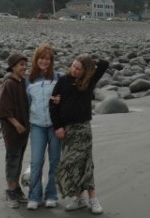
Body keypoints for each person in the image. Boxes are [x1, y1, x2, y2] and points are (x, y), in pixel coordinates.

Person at [50, 54, 109, 215]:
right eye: (73, 66)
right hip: (67, 131)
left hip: (83, 129)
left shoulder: (89, 81)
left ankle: (93, 199)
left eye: (78, 68)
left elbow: (104, 64)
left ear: (85, 71)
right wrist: (58, 127)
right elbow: (52, 104)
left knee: (86, 164)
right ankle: (79, 198)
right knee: (70, 165)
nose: (74, 70)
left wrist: (90, 60)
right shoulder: (63, 81)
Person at [25, 43, 62, 210]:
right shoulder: (29, 80)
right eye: (41, 58)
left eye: (47, 58)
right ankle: (34, 196)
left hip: (55, 126)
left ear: (51, 60)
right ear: (36, 59)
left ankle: (51, 195)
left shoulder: (59, 77)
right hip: (37, 126)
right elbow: (26, 104)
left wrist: (61, 100)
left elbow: (69, 97)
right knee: (36, 161)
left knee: (55, 162)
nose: (44, 61)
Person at [0, 52, 30, 209]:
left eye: (25, 64)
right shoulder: (9, 83)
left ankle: (16, 188)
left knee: (19, 159)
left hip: (24, 129)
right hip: (12, 130)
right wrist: (16, 124)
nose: (24, 67)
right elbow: (2, 109)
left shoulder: (22, 82)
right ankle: (10, 190)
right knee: (12, 159)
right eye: (20, 65)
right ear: (12, 67)